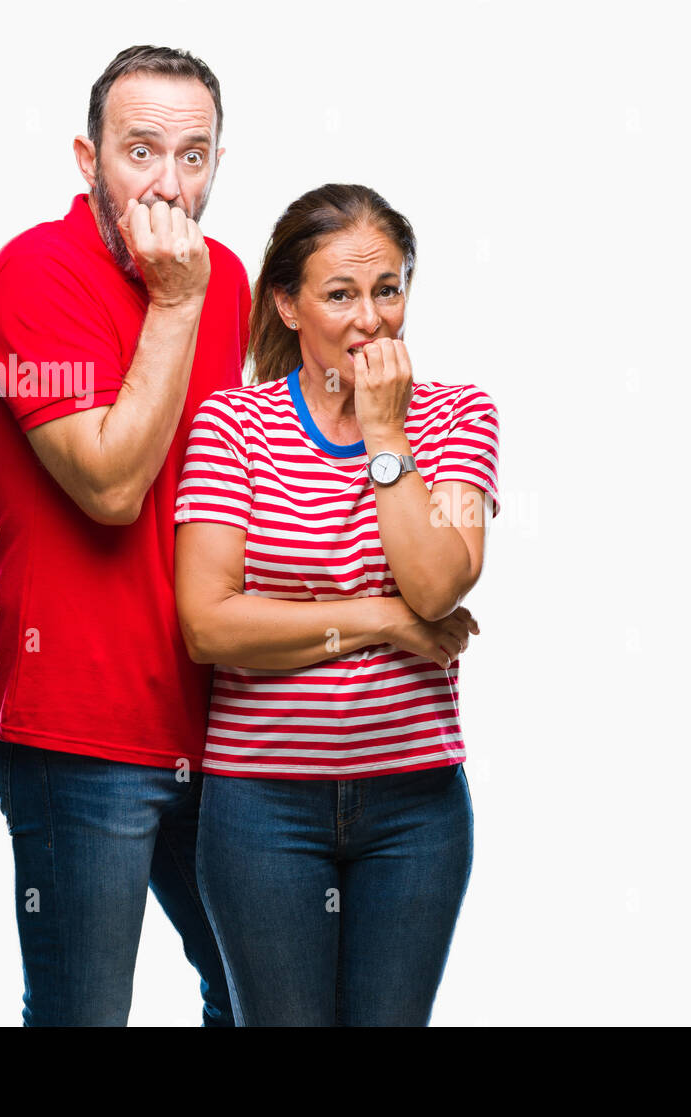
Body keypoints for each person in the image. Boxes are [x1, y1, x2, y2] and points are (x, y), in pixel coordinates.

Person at [173, 183, 500, 1026]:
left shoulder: (460, 415)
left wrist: (388, 435)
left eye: (387, 289)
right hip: (261, 807)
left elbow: (436, 583)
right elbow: (210, 623)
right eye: (341, 294)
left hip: (415, 808)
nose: (371, 319)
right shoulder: (231, 426)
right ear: (288, 304)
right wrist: (385, 621)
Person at [0, 44, 251, 1026]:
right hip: (75, 734)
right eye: (140, 151)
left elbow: (225, 490)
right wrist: (176, 304)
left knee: (273, 996)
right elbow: (111, 485)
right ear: (88, 161)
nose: (168, 184)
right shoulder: (30, 276)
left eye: (194, 155)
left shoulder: (229, 278)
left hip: (214, 729)